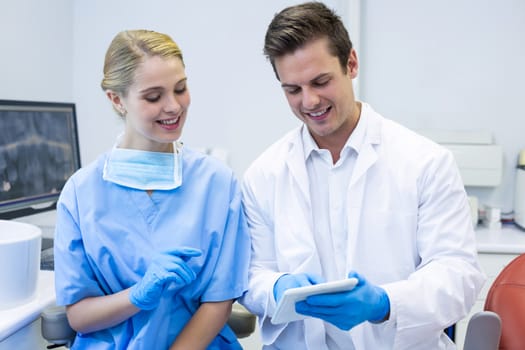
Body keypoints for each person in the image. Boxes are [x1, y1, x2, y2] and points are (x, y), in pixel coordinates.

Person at [239, 2, 485, 349]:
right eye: (292, 90)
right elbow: (252, 276)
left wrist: (385, 303)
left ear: (351, 63)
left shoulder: (425, 162)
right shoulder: (264, 175)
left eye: (320, 81)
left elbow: (459, 274)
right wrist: (276, 288)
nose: (309, 101)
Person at [53, 29, 250, 349]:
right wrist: (137, 295)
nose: (174, 106)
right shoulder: (80, 193)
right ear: (117, 100)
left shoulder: (217, 184)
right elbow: (78, 315)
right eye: (154, 96)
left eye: (181, 89)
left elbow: (219, 301)